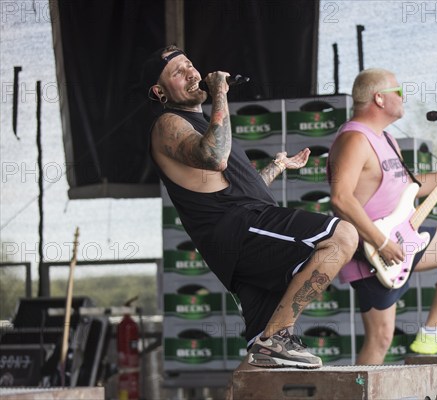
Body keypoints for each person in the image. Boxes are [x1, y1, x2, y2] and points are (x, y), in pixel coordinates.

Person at [141, 45, 358, 369]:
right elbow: (215, 157)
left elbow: (236, 187)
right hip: (240, 229)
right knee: (342, 237)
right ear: (160, 91)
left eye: (190, 65)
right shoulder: (167, 124)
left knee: (259, 365)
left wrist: (277, 167)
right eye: (177, 72)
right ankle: (277, 338)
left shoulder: (201, 125)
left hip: (245, 230)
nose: (191, 73)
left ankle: (267, 343)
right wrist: (220, 94)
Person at [327, 68, 437, 364]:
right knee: (381, 339)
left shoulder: (387, 139)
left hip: (403, 241)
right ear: (379, 98)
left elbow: (408, 189)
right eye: (398, 92)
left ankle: (433, 329)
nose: (404, 98)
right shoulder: (354, 140)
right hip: (372, 251)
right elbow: (340, 198)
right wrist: (381, 241)